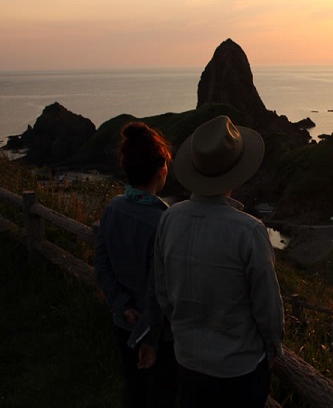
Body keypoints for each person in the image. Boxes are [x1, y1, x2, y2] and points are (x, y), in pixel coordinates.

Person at [154, 115, 284, 408]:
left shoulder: (169, 218)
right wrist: (272, 345)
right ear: (237, 171)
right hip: (238, 370)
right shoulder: (249, 230)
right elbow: (268, 307)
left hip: (187, 363)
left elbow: (163, 292)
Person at [94, 122, 178, 408]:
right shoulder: (162, 222)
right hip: (158, 336)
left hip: (123, 323)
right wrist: (151, 339)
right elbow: (158, 288)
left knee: (133, 392)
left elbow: (101, 264)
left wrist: (120, 303)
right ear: (161, 170)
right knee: (160, 397)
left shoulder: (112, 209)